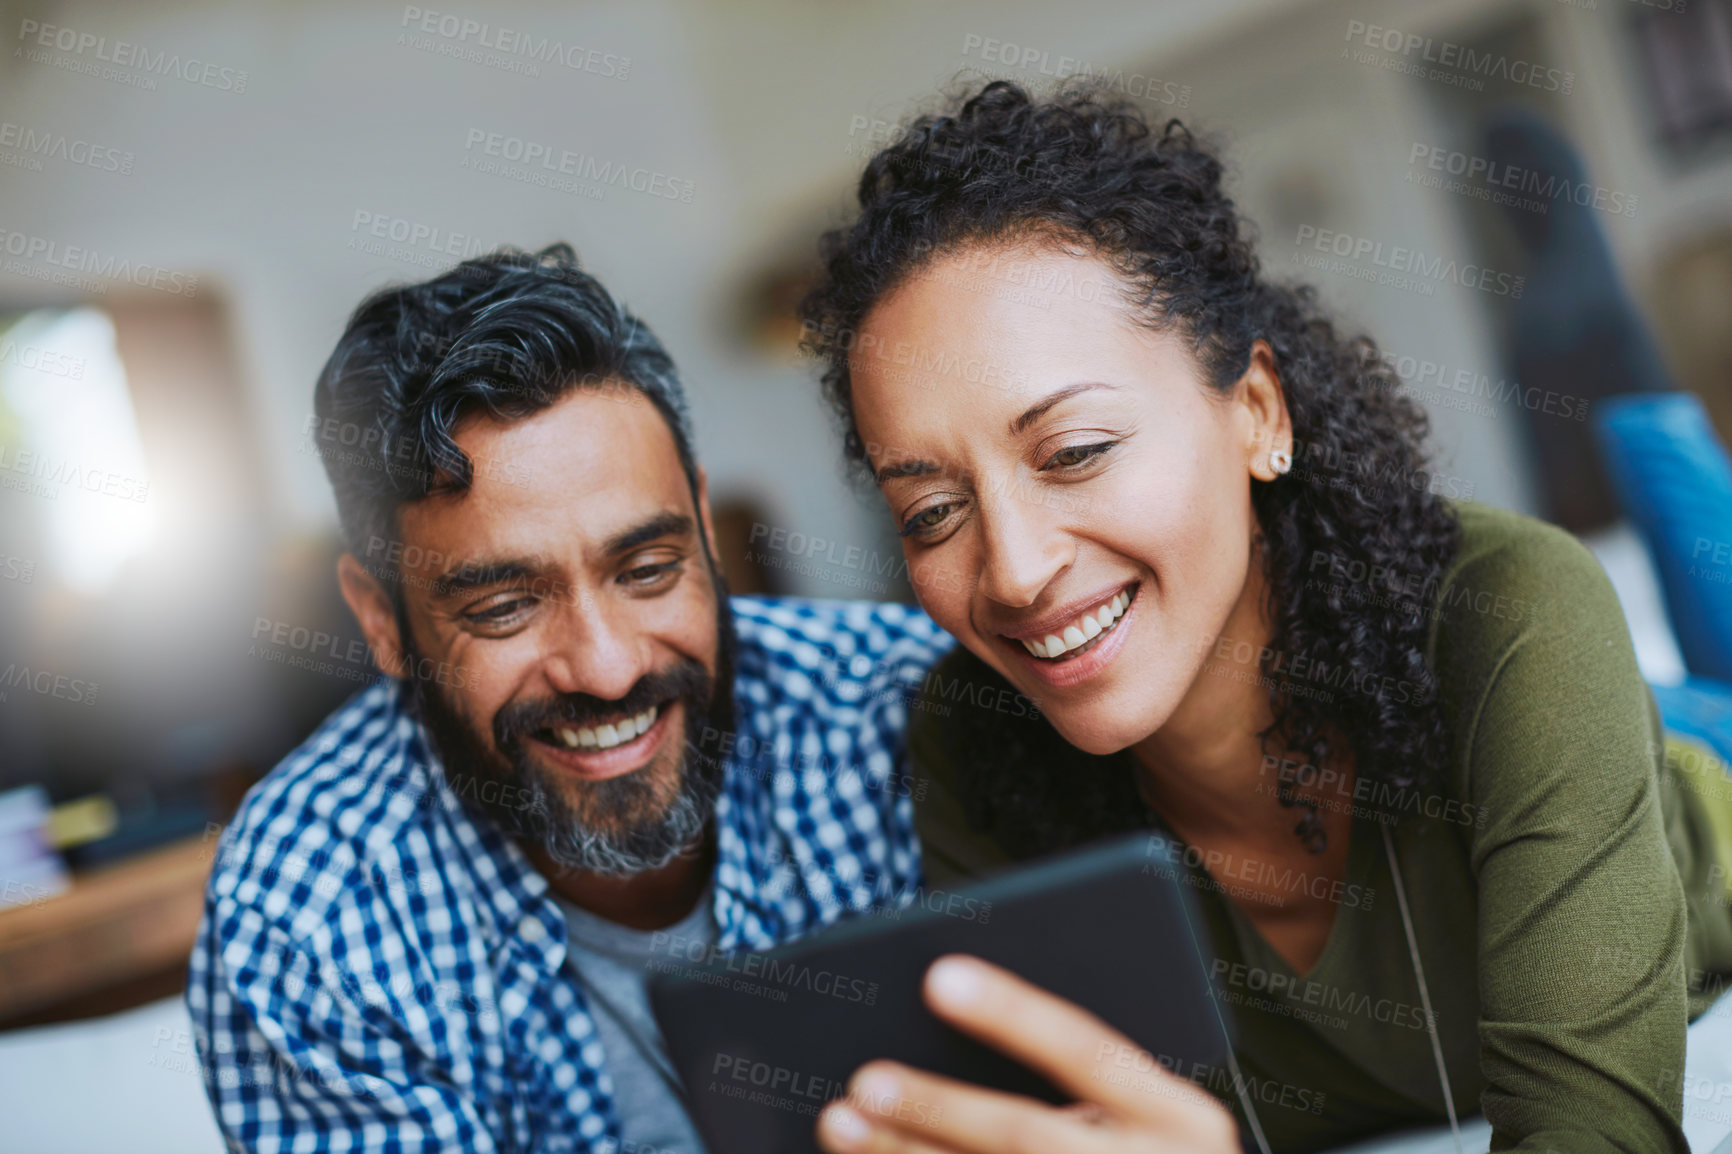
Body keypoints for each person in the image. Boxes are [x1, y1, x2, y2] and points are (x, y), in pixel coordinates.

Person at [797, 81, 1732, 1153]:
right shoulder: (971, 743)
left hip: (1697, 766)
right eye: (931, 510)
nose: (1011, 570)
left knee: (1678, 500)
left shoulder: (1508, 607)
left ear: (1256, 412)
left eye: (1074, 452)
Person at [187, 244, 952, 1153]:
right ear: (381, 622)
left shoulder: (907, 716)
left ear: (704, 531)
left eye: (649, 568)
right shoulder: (305, 921)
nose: (608, 669)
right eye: (504, 607)